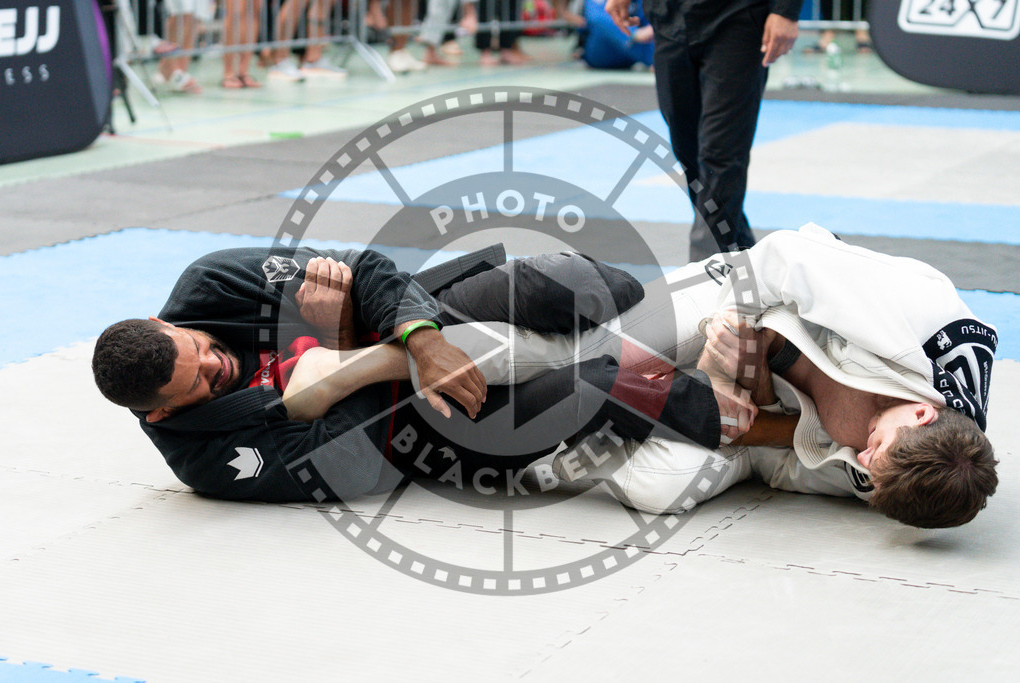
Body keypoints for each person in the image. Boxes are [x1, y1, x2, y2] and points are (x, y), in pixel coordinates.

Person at [93, 248, 752, 503]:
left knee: (576, 284)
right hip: (425, 431)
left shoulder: (206, 285)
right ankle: (760, 420)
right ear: (159, 412)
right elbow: (350, 470)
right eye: (202, 383)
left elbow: (370, 269)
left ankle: (704, 324)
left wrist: (420, 338)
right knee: (603, 388)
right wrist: (341, 343)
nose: (218, 365)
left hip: (427, 320)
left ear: (166, 320)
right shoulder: (205, 456)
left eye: (200, 348)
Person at [550, 224, 998, 528]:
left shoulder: (892, 478)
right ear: (922, 412)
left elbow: (784, 468)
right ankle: (519, 354)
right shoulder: (926, 323)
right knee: (594, 356)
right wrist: (727, 340)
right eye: (875, 448)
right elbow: (783, 255)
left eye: (869, 468)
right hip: (740, 296)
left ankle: (574, 428)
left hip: (762, 401)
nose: (862, 458)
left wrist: (746, 411)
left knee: (664, 488)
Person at [604, 0, 801, 261]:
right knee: (688, 149)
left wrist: (785, 11)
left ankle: (706, 271)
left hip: (738, 18)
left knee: (720, 152)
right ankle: (743, 255)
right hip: (669, 17)